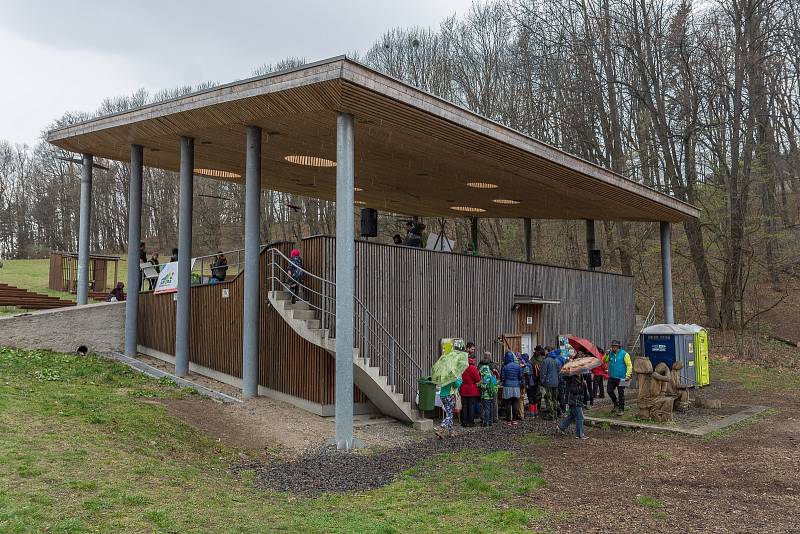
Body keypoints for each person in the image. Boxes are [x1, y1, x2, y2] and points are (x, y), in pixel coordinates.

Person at [604, 340, 632, 416]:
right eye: (612, 346)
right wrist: (606, 354)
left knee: (621, 394)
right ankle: (616, 404)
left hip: (622, 377)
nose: (613, 347)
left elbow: (629, 365)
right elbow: (604, 360)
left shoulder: (624, 354)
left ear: (618, 347)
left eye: (615, 346)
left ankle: (621, 409)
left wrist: (628, 375)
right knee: (609, 391)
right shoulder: (610, 354)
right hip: (612, 376)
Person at [557, 374, 589, 439]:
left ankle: (561, 427)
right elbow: (574, 390)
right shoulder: (573, 378)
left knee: (572, 415)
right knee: (580, 417)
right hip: (574, 400)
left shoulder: (579, 376)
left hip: (575, 400)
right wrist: (583, 385)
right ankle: (579, 434)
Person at [459, 344, 481, 427]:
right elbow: (478, 379)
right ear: (473, 360)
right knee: (471, 407)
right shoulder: (473, 368)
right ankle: (471, 423)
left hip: (463, 390)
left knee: (464, 407)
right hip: (472, 390)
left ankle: (464, 423)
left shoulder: (462, 368)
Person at [500, 351, 524, 424]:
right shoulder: (518, 366)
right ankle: (514, 419)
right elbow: (521, 377)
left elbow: (502, 378)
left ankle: (508, 420)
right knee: (515, 403)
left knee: (508, 403)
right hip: (516, 386)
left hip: (507, 386)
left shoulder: (505, 366)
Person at [540, 347, 562, 420]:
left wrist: (542, 382)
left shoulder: (545, 361)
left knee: (549, 399)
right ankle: (555, 414)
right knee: (555, 399)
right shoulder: (557, 361)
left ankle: (551, 414)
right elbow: (559, 373)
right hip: (556, 382)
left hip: (548, 383)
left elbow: (543, 373)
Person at [478, 361, 498, 427]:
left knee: (486, 409)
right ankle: (490, 421)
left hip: (486, 396)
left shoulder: (486, 377)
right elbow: (496, 386)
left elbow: (484, 386)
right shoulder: (493, 377)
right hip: (492, 395)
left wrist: (480, 384)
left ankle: (485, 422)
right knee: (491, 408)